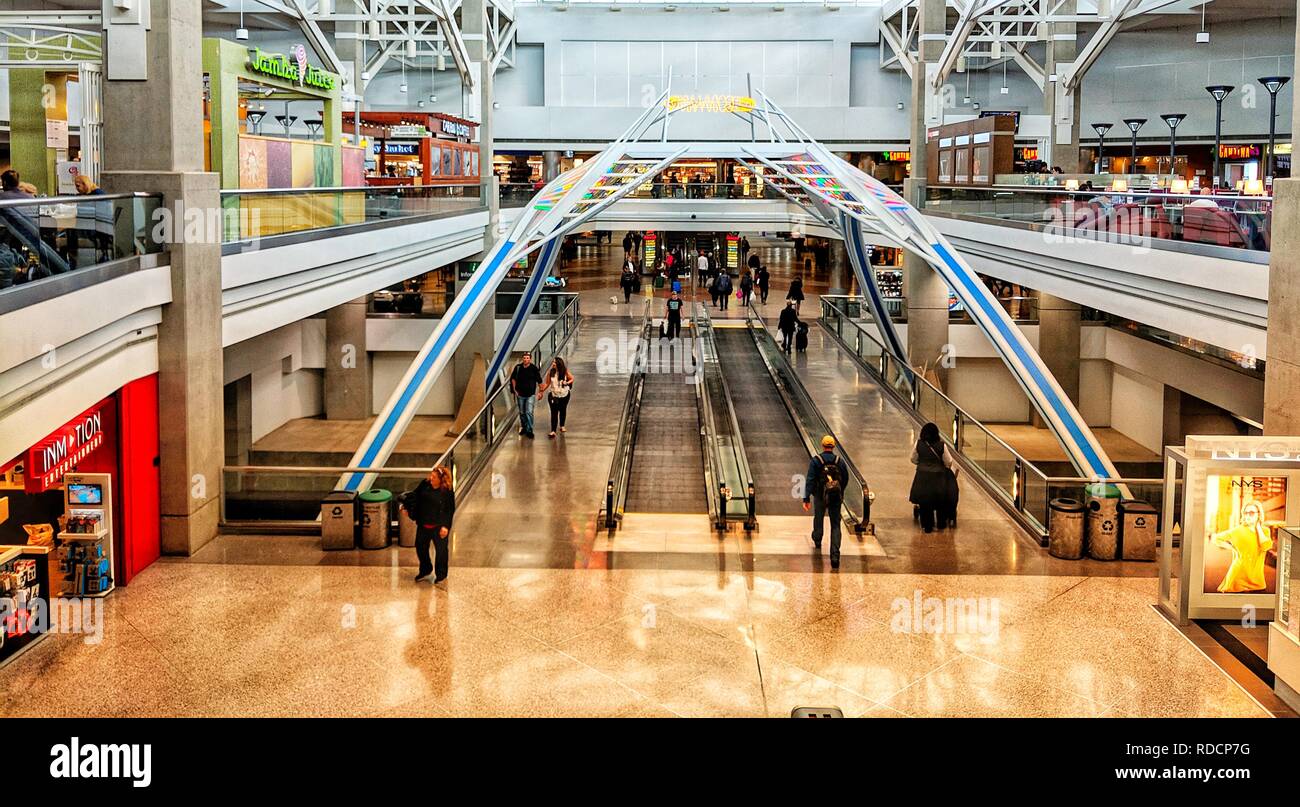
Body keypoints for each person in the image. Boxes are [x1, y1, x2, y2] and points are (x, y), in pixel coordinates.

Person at [803, 435, 849, 569]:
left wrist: (806, 498)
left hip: (820, 496)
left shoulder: (816, 461)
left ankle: (817, 538)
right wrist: (840, 491)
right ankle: (835, 557)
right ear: (833, 446)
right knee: (835, 524)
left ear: (822, 446)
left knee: (819, 517)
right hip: (835, 497)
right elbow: (845, 479)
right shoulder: (839, 461)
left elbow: (810, 480)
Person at [406, 466, 455, 583]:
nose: (430, 478)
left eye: (434, 477)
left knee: (441, 551)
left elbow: (450, 510)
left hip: (439, 527)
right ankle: (425, 569)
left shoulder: (446, 492)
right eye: (431, 476)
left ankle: (441, 574)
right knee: (420, 547)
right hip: (424, 524)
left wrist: (446, 526)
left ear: (441, 480)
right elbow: (414, 496)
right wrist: (406, 507)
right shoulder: (425, 484)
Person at [1211, 502, 1274, 593]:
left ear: (1259, 514)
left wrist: (1258, 527)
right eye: (1245, 513)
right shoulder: (1238, 530)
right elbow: (1216, 538)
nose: (1248, 515)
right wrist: (1231, 547)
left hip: (1258, 582)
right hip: (1237, 579)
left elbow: (1265, 546)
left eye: (1251, 513)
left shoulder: (1265, 531)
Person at [909, 422, 959, 533]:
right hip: (938, 478)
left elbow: (913, 458)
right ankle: (941, 523)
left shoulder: (918, 444)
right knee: (940, 501)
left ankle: (927, 526)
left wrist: (922, 463)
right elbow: (949, 461)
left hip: (922, 477)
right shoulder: (941, 445)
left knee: (924, 502)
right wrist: (942, 466)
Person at [539, 356, 574, 439]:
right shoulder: (550, 372)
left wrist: (567, 382)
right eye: (553, 362)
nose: (553, 364)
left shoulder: (564, 372)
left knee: (563, 410)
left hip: (564, 394)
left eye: (554, 362)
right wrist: (541, 391)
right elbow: (547, 384)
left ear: (559, 363)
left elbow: (572, 378)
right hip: (554, 395)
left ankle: (562, 425)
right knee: (554, 412)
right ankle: (553, 431)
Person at [509, 352, 543, 438]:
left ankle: (529, 430)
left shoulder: (534, 368)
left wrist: (541, 392)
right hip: (520, 394)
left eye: (527, 358)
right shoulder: (518, 368)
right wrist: (514, 389)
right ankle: (524, 427)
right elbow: (513, 379)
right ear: (522, 359)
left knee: (529, 412)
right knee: (522, 412)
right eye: (524, 358)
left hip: (530, 394)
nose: (526, 359)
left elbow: (539, 381)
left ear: (530, 359)